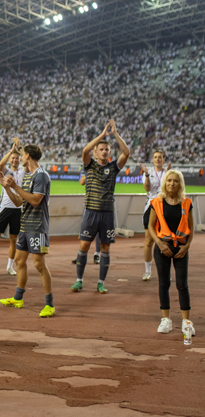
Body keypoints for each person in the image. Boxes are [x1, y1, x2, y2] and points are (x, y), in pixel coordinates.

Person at [71, 119, 130, 294]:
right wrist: (102, 136)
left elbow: (126, 153)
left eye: (107, 149)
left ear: (109, 152)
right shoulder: (89, 165)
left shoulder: (113, 167)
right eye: (101, 149)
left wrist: (115, 134)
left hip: (107, 214)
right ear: (96, 152)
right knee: (84, 246)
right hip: (90, 212)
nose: (104, 152)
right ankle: (79, 280)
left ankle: (101, 282)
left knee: (105, 248)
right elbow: (85, 150)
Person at [0, 144, 54, 317]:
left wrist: (14, 186)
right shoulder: (28, 177)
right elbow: (19, 202)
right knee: (19, 261)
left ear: (28, 155)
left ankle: (49, 304)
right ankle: (18, 298)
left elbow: (36, 200)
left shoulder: (41, 176)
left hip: (37, 227)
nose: (20, 158)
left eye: (22, 155)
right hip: (25, 225)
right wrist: (6, 187)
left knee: (39, 264)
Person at [147, 170, 194, 338]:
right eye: (169, 181)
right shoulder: (157, 202)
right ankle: (165, 320)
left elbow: (191, 228)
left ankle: (186, 323)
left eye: (175, 181)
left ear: (180, 184)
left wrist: (186, 247)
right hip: (162, 249)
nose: (172, 184)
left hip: (181, 249)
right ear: (164, 183)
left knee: (182, 285)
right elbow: (151, 226)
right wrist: (159, 244)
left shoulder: (186, 203)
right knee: (163, 283)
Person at [0, 138, 24, 276]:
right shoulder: (6, 170)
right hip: (4, 208)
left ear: (20, 160)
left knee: (14, 240)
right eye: (13, 158)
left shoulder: (24, 172)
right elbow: (1, 164)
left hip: (18, 210)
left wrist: (19, 149)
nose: (15, 160)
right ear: (10, 160)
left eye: (17, 158)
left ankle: (9, 266)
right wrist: (11, 150)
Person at [140, 151, 171, 281]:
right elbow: (147, 189)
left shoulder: (169, 174)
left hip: (166, 207)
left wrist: (168, 176)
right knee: (148, 241)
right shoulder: (148, 173)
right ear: (153, 160)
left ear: (164, 160)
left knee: (167, 240)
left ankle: (165, 271)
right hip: (151, 207)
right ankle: (147, 271)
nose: (158, 159)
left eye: (160, 157)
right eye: (156, 157)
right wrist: (147, 174)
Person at [72, 170, 101, 265]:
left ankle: (97, 254)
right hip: (89, 204)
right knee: (85, 229)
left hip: (101, 203)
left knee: (99, 230)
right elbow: (82, 182)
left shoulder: (105, 166)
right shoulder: (88, 167)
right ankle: (81, 255)